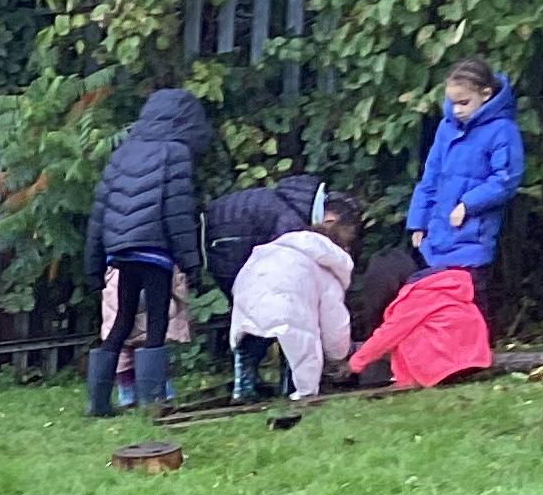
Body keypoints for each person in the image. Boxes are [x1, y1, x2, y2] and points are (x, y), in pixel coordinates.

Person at [82, 86, 211, 416]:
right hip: (155, 252)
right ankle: (153, 403)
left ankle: (97, 404)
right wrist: (191, 264)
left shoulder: (122, 153)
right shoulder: (175, 152)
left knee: (122, 322)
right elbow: (178, 212)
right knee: (156, 325)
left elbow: (99, 213)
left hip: (121, 253)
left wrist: (93, 268)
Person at [404, 58, 524, 327]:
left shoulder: (503, 130)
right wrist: (418, 221)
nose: (456, 109)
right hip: (438, 234)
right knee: (438, 301)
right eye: (453, 102)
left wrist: (468, 204)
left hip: (473, 236)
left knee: (472, 300)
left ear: (486, 94)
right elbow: (430, 176)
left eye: (464, 102)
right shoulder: (446, 127)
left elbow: (505, 179)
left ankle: (479, 347)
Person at [228, 196, 359, 402]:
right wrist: (338, 354)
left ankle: (243, 387)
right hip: (288, 302)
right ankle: (294, 389)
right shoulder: (326, 268)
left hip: (249, 287)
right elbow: (334, 321)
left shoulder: (280, 245)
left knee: (251, 340)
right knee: (297, 343)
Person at [347, 262, 492, 389]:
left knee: (402, 334)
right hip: (475, 357)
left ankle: (409, 379)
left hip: (442, 367)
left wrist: (356, 362)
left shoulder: (413, 298)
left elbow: (387, 335)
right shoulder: (450, 287)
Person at [202, 171, 329, 302]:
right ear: (330, 220)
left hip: (213, 223)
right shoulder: (293, 224)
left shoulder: (296, 200)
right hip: (220, 243)